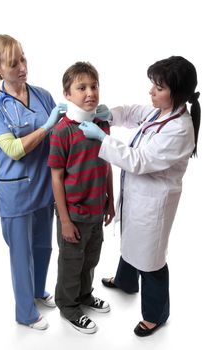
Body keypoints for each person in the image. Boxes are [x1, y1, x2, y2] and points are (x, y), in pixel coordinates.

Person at [79, 56, 201, 337]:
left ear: (176, 92)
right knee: (131, 238)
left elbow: (139, 160)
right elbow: (135, 112)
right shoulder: (162, 111)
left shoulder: (180, 128)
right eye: (153, 85)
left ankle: (156, 315)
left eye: (158, 87)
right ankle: (125, 281)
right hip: (137, 195)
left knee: (151, 259)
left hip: (154, 202)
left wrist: (102, 138)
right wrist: (112, 114)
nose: (151, 92)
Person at [0, 34, 66, 330]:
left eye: (23, 59)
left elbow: (61, 135)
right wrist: (46, 126)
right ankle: (25, 313)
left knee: (43, 247)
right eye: (13, 63)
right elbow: (14, 150)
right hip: (16, 190)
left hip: (46, 185)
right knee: (21, 254)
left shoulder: (42, 95)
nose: (22, 67)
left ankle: (39, 292)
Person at [48, 61, 115, 334]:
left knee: (91, 258)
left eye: (94, 86)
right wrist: (64, 220)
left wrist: (110, 199)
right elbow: (56, 178)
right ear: (67, 94)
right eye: (82, 87)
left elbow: (108, 162)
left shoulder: (101, 125)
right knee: (71, 261)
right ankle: (68, 306)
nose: (90, 93)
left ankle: (84, 295)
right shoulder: (62, 131)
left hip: (96, 209)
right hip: (73, 214)